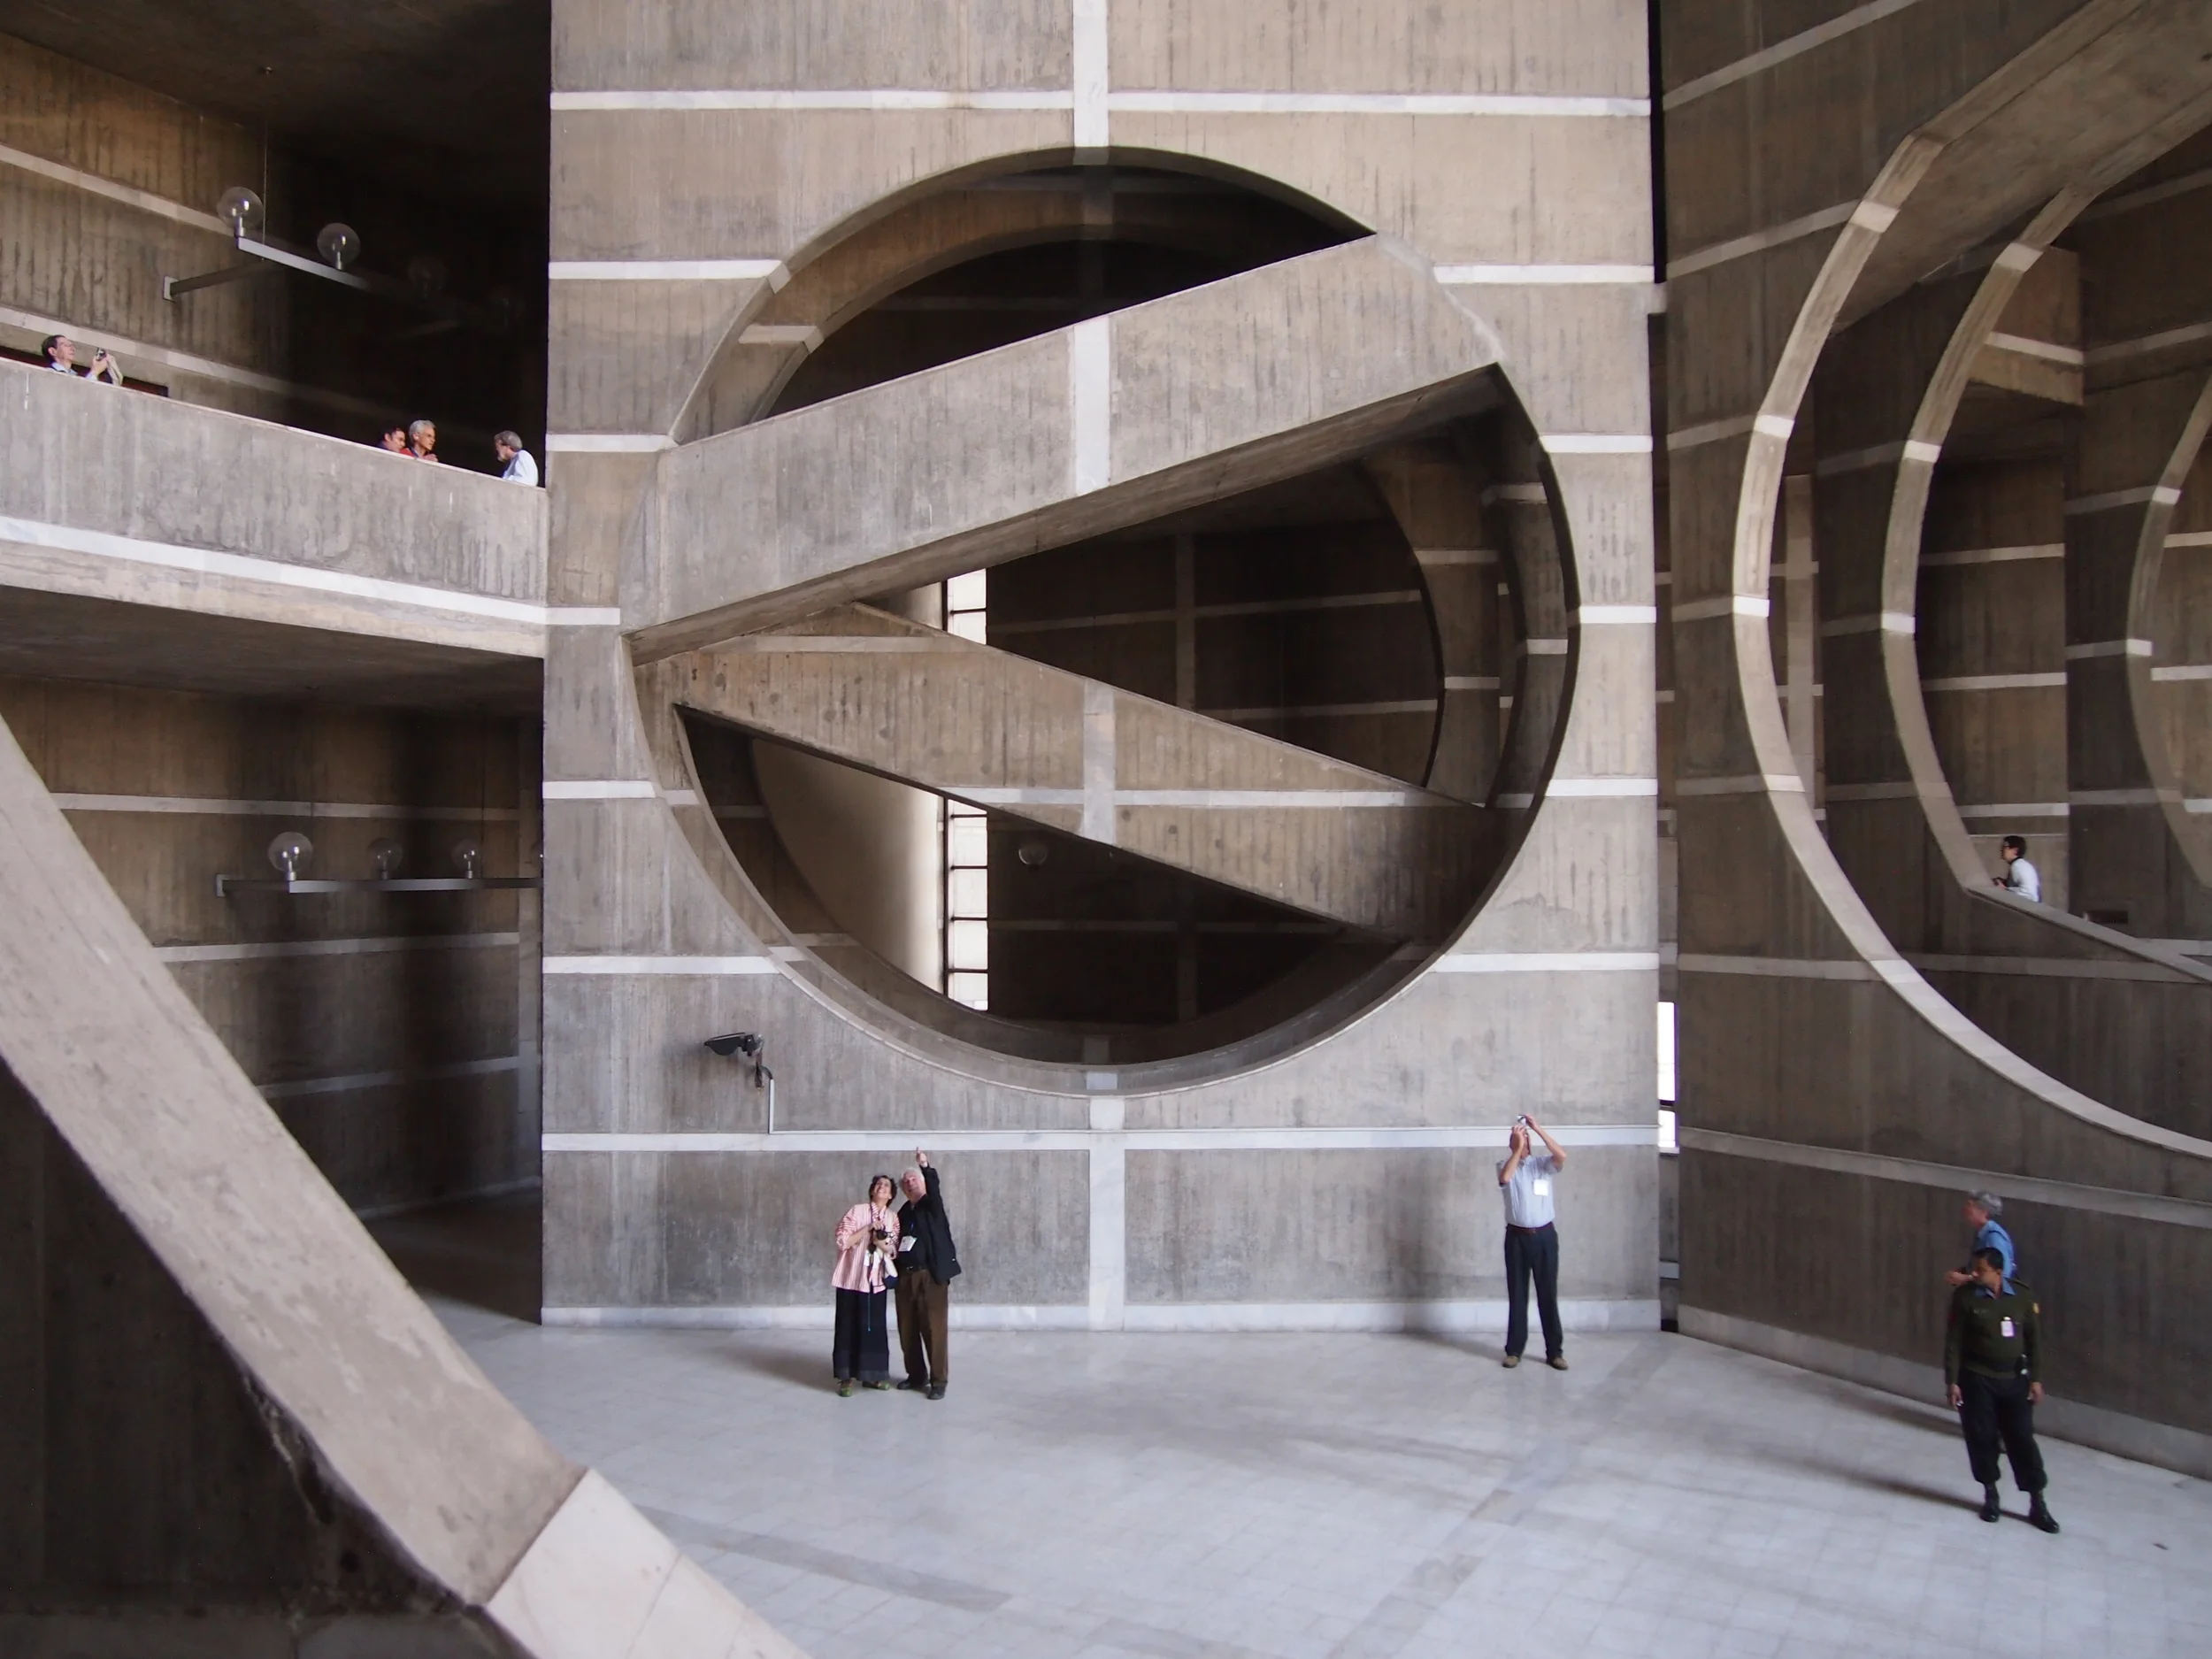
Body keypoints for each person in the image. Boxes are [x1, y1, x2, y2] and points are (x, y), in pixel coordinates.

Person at [1945, 1246, 2059, 1532]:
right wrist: (1952, 1381)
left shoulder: (2020, 1297)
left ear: (1998, 1271)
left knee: (2022, 1438)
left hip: (2013, 1380)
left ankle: (2037, 1502)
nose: (1975, 1273)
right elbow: (1953, 1342)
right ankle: (1991, 1495)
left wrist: (2036, 1378)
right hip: (1977, 1378)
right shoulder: (1966, 1298)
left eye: (1981, 1269)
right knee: (1981, 1437)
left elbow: (2034, 1341)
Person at [1497, 1113, 1568, 1371]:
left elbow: (1562, 1156)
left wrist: (1536, 1128)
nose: (1523, 1142)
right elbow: (1505, 1179)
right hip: (1516, 1238)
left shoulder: (1543, 1165)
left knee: (1547, 1294)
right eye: (1517, 1139)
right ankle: (1514, 1350)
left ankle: (1555, 1352)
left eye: (1525, 1139)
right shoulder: (1505, 1166)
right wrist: (1516, 1150)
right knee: (1517, 1294)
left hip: (1545, 1238)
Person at [893, 1148, 960, 1399]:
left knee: (934, 1329)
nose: (910, 1184)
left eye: (914, 1180)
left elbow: (933, 1185)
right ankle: (916, 1375)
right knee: (907, 1328)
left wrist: (925, 1166)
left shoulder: (932, 1206)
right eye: (906, 1183)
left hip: (930, 1276)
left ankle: (939, 1381)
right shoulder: (903, 1213)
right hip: (905, 1277)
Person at [830, 1175, 901, 1397]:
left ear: (891, 1195)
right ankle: (846, 1377)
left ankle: (872, 1375)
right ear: (872, 1191)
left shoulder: (893, 1218)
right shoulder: (857, 1211)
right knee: (847, 1327)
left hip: (875, 1282)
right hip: (851, 1278)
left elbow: (895, 1249)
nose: (882, 1187)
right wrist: (867, 1229)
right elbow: (842, 1240)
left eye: (886, 1186)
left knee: (874, 1328)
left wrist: (884, 1243)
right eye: (878, 1184)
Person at [1946, 1192, 2016, 1290]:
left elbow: (2003, 1276)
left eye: (1970, 1205)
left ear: (1984, 1211)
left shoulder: (1994, 1238)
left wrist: (1966, 1279)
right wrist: (1964, 1271)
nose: (1965, 1209)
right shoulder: (1982, 1234)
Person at [42, 334, 123, 384]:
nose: (72, 348)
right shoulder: (47, 374)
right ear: (53, 351)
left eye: (72, 345)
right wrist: (95, 372)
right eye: (65, 345)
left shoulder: (76, 376)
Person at [1994, 834, 2040, 902]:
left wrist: (2005, 889)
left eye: (2005, 847)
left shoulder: (2018, 866)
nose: (2001, 850)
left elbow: (2029, 894)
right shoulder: (2021, 864)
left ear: (2015, 850)